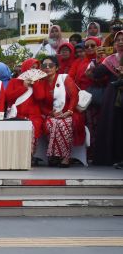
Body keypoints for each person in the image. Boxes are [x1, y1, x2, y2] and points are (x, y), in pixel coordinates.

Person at [34, 56, 85, 167]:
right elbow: (41, 104)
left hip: (69, 112)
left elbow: (74, 96)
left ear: (56, 68)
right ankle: (55, 156)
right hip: (51, 114)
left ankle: (65, 158)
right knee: (51, 124)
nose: (47, 68)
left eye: (51, 65)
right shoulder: (41, 82)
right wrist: (50, 113)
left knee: (63, 123)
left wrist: (69, 111)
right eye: (44, 66)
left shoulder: (64, 78)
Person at [91, 31, 123, 167]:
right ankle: (113, 157)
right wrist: (98, 60)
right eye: (118, 40)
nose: (120, 42)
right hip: (113, 98)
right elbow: (97, 74)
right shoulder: (110, 59)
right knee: (113, 125)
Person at [6, 58, 44, 162]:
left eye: (36, 69)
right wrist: (23, 87)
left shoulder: (39, 83)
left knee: (33, 126)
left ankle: (29, 156)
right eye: (32, 68)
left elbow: (40, 97)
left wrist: (35, 85)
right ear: (25, 68)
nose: (34, 71)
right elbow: (9, 97)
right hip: (17, 115)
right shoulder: (14, 82)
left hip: (34, 117)